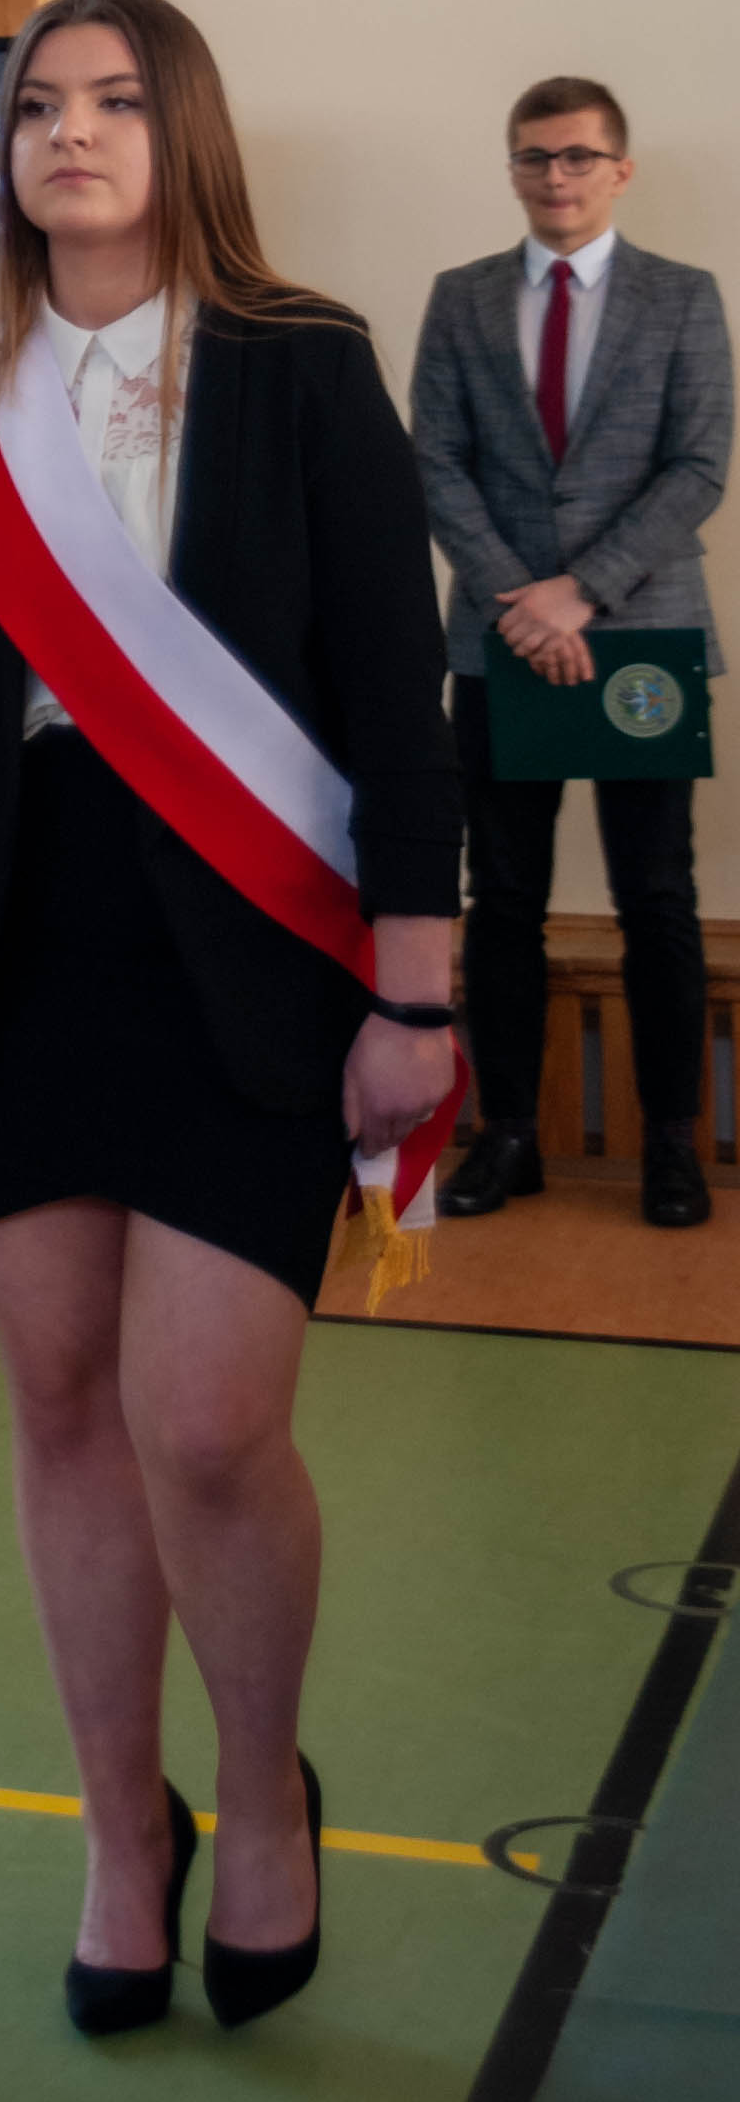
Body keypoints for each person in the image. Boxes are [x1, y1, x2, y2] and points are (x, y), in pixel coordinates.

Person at [0, 0, 459, 2038]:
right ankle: (125, 1828)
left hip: (254, 953)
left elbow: (394, 692)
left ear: (183, 130)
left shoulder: (302, 361)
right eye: (38, 105)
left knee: (206, 1421)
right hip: (18, 945)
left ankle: (263, 1795)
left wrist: (419, 983)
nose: (70, 133)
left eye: (113, 100)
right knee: (62, 1403)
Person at [409, 75, 729, 1233]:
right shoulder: (461, 297)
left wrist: (581, 591)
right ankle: (509, 1134)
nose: (557, 175)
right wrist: (522, 601)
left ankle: (670, 1145)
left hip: (643, 637)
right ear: (513, 168)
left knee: (659, 896)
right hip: (500, 641)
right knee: (502, 897)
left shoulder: (684, 296)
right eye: (536, 155)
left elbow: (699, 464)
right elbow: (436, 459)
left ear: (619, 169)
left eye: (579, 155)